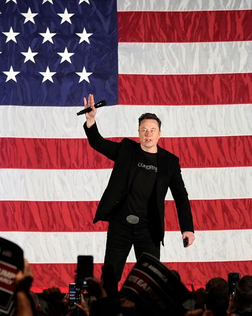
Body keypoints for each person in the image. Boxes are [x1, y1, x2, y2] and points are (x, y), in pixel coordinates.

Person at [81, 94, 195, 284]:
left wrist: (187, 228)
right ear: (138, 132)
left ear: (159, 133)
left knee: (150, 279)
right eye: (144, 130)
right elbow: (98, 143)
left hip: (148, 229)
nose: (148, 134)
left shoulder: (169, 162)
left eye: (152, 130)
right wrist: (91, 121)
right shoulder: (127, 149)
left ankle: (145, 314)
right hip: (120, 226)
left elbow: (181, 196)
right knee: (109, 277)